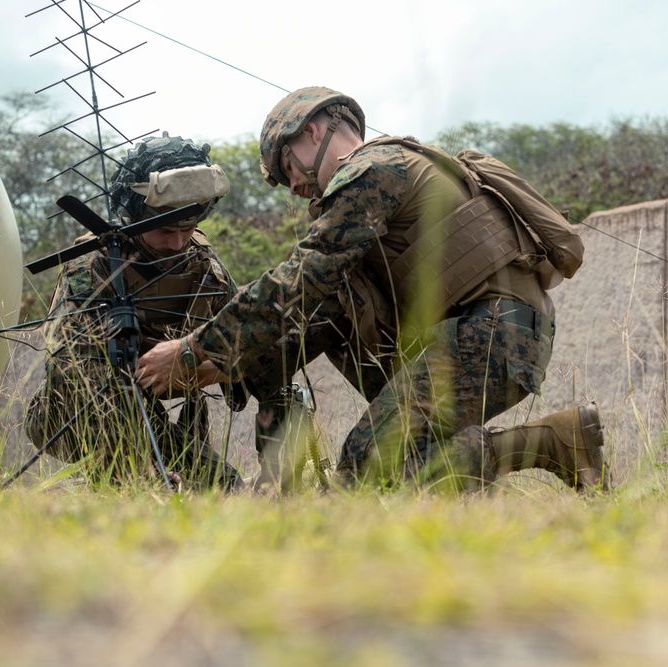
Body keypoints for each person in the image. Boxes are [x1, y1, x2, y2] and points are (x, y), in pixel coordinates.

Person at [135, 87, 608, 493]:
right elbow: (323, 315)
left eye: (287, 168)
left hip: (487, 335)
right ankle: (558, 441)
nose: (294, 186)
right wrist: (227, 366)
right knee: (395, 465)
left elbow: (302, 280)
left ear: (311, 132)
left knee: (366, 469)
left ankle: (549, 445)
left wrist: (194, 349)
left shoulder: (372, 171)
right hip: (500, 336)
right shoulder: (394, 170)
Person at [23, 133, 243, 489]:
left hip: (158, 407)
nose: (177, 243)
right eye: (165, 231)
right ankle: (103, 481)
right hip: (84, 413)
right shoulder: (92, 269)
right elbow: (76, 373)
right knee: (158, 487)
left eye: (187, 229)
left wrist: (197, 369)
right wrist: (138, 465)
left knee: (224, 487)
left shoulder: (204, 267)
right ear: (133, 217)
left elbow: (251, 342)